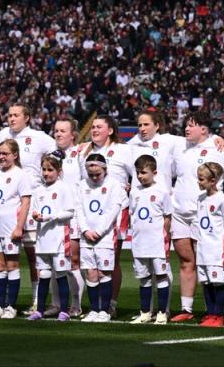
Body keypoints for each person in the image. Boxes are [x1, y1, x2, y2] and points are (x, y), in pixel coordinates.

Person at [169, 111, 224, 322]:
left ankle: (212, 312)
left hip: (203, 215)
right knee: (186, 261)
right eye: (186, 125)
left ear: (204, 129)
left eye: (192, 125)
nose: (186, 128)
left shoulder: (219, 147)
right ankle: (186, 309)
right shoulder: (179, 146)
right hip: (179, 213)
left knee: (205, 263)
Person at [0, 104, 56, 314]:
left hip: (31, 202)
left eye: (16, 115)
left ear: (26, 118)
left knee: (33, 255)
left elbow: (58, 154)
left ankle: (37, 300)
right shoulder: (2, 135)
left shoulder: (39, 137)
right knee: (5, 256)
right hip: (7, 205)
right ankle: (2, 301)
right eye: (9, 115)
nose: (11, 118)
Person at [75, 115, 133, 316]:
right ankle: (95, 306)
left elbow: (140, 171)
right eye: (92, 127)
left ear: (110, 130)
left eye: (99, 127)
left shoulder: (123, 150)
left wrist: (132, 187)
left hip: (115, 211)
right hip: (90, 209)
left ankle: (110, 304)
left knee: (111, 258)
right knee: (91, 260)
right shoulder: (84, 150)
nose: (94, 130)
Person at [0, 138, 31, 319]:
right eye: (0, 153)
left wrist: (19, 227)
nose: (2, 157)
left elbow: (25, 203)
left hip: (10, 229)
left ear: (15, 155)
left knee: (12, 265)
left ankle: (11, 306)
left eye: (5, 154)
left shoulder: (21, 175)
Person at [76, 152, 125, 323]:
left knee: (104, 272)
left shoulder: (114, 185)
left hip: (104, 236)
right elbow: (79, 209)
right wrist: (84, 230)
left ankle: (104, 310)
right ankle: (94, 310)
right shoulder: (82, 185)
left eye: (98, 174)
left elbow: (114, 209)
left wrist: (99, 230)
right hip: (86, 236)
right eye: (91, 174)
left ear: (105, 170)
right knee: (90, 273)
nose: (94, 177)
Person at [27, 150, 75, 321]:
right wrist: (35, 215)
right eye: (44, 170)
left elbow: (70, 212)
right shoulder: (38, 190)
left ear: (59, 172)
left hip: (59, 240)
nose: (46, 173)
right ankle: (39, 310)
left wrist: (50, 216)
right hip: (42, 239)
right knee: (44, 275)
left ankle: (64, 310)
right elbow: (34, 209)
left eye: (50, 170)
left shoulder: (63, 188)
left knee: (61, 274)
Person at [127, 154, 172, 325]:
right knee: (143, 278)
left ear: (154, 172)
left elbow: (167, 217)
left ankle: (161, 313)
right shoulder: (134, 191)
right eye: (138, 173)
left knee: (160, 276)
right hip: (139, 243)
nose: (140, 176)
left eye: (144, 172)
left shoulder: (162, 192)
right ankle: (145, 312)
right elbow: (133, 214)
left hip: (157, 242)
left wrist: (164, 236)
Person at [195, 161, 224, 327]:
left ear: (213, 181)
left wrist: (221, 242)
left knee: (217, 282)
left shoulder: (222, 200)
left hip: (216, 248)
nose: (198, 182)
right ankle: (210, 313)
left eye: (201, 179)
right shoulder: (200, 198)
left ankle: (218, 315)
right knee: (206, 282)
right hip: (202, 247)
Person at [54, 117, 86, 317]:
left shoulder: (80, 155)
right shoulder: (52, 155)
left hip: (73, 214)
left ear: (73, 135)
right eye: (56, 130)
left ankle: (76, 304)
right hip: (55, 215)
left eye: (63, 131)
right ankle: (57, 304)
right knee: (54, 260)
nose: (58, 134)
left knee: (73, 260)